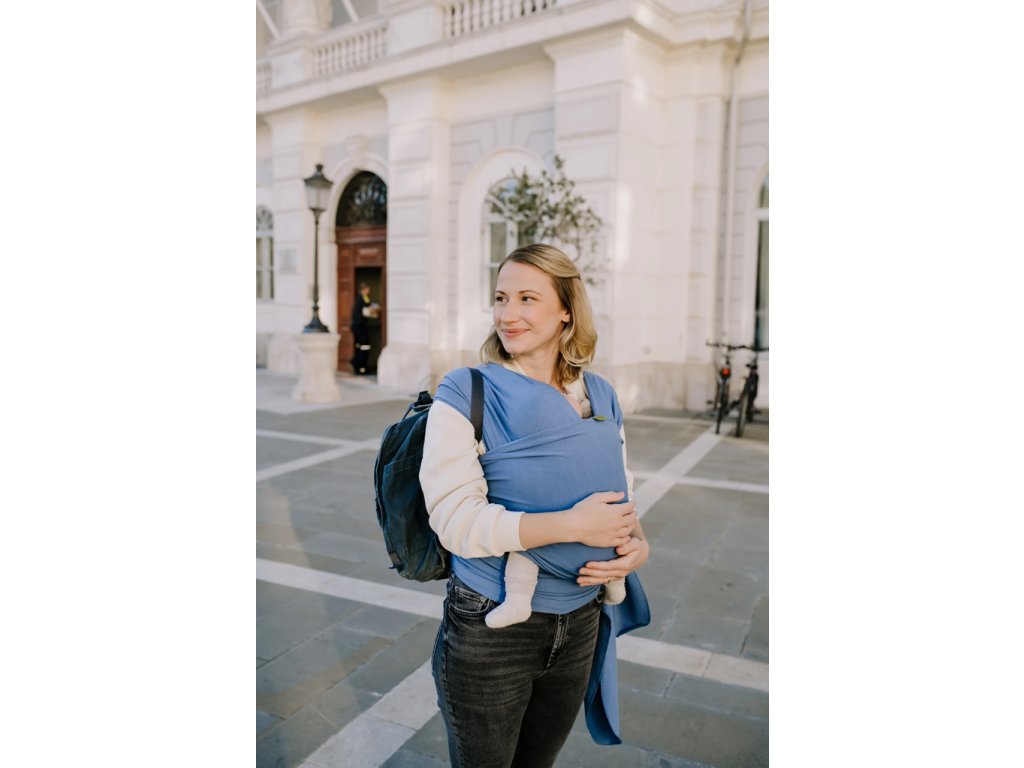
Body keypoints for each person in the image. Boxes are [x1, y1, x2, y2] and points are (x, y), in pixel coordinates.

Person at [420, 243, 651, 767]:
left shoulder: (600, 395)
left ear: (566, 309)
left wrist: (638, 547)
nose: (508, 314)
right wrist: (571, 525)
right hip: (492, 627)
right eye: (501, 297)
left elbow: (622, 489)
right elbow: (454, 520)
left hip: (581, 620)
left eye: (527, 298)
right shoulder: (468, 391)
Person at [349, 283, 379, 374]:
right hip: (359, 326)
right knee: (363, 346)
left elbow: (368, 305)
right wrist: (373, 310)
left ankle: (359, 365)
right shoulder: (361, 299)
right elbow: (367, 310)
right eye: (367, 289)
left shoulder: (364, 298)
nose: (369, 291)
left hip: (360, 326)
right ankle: (359, 366)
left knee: (362, 346)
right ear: (363, 290)